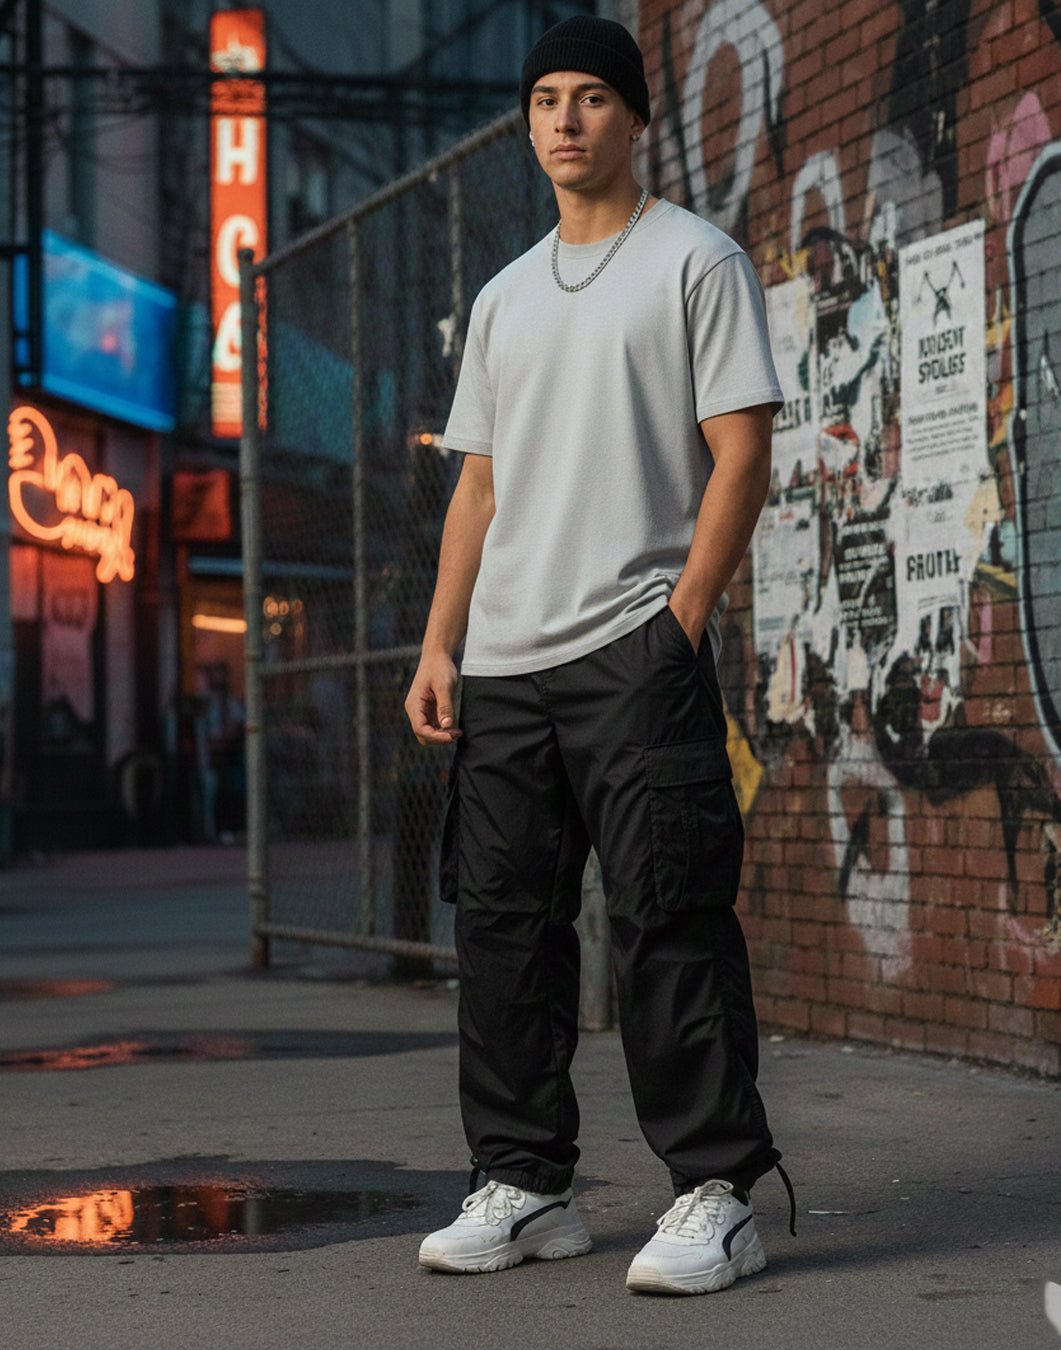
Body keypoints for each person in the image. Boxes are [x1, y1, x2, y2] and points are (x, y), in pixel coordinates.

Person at [404, 15, 792, 1296]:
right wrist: (441, 643)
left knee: (667, 921)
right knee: (507, 933)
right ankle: (525, 1185)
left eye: (591, 99)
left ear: (634, 119)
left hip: (634, 646)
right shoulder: (505, 296)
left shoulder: (696, 260)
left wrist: (680, 618)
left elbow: (742, 452)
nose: (565, 119)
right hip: (505, 663)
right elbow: (477, 489)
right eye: (547, 101)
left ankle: (718, 1190)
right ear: (528, 126)